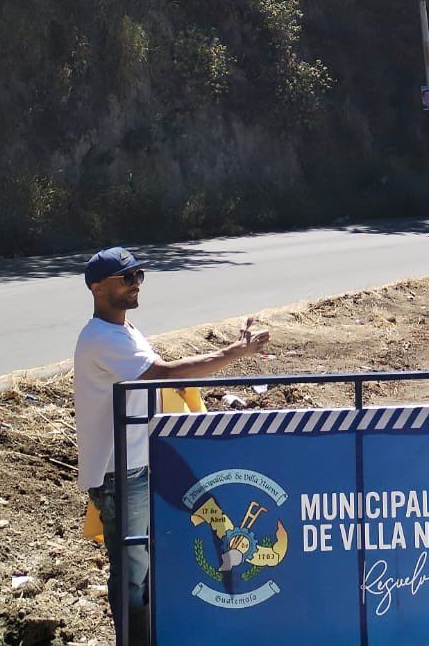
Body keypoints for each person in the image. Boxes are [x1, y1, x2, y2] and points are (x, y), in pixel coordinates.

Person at [74, 247, 271, 646]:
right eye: (125, 279)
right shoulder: (100, 337)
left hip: (142, 463)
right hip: (121, 474)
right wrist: (235, 353)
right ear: (97, 288)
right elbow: (161, 374)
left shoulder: (124, 332)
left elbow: (158, 376)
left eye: (138, 276)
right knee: (132, 571)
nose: (135, 285)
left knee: (147, 564)